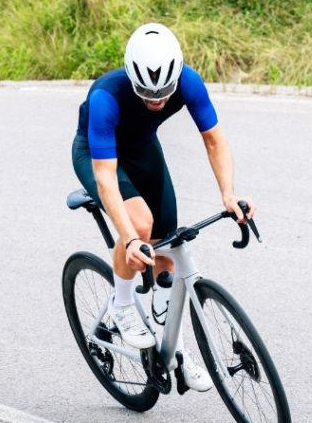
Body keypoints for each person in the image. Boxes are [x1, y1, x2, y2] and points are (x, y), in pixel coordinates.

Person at [72, 22, 256, 393]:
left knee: (169, 244)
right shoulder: (105, 97)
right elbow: (106, 178)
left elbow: (214, 140)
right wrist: (127, 238)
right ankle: (122, 303)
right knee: (139, 225)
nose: (156, 101)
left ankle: (174, 349)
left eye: (163, 94)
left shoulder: (188, 81)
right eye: (146, 93)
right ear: (131, 75)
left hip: (141, 149)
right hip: (97, 155)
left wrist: (228, 194)